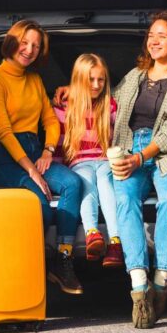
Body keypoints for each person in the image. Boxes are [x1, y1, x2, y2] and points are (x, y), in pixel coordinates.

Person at [55, 10, 167, 328]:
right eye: (151, 35)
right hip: (127, 149)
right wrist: (72, 89)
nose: (154, 40)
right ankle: (139, 288)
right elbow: (105, 96)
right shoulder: (136, 76)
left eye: (162, 35)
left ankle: (162, 281)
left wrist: (141, 157)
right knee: (124, 202)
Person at [0, 20, 85, 295]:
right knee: (37, 203)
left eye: (36, 46)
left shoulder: (35, 80)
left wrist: (48, 151)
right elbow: (2, 131)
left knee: (73, 184)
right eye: (25, 42)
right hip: (6, 155)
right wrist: (31, 170)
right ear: (13, 41)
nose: (29, 50)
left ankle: (63, 261)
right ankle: (30, 270)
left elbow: (51, 121)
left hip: (35, 149)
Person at [52, 54, 124, 268]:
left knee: (104, 179)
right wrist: (56, 172)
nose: (96, 85)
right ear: (79, 80)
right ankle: (92, 233)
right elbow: (59, 142)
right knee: (84, 180)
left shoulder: (110, 105)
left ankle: (115, 241)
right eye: (90, 79)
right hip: (79, 162)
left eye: (101, 80)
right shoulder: (64, 106)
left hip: (104, 159)